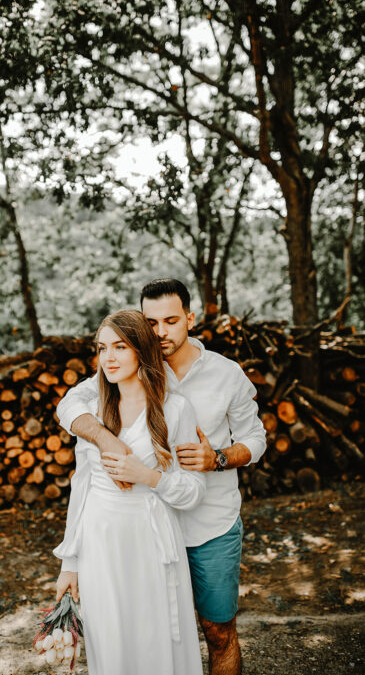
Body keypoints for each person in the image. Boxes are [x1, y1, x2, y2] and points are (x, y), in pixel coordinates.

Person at [57, 279, 267, 675]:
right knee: (148, 635)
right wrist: (105, 439)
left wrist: (217, 457)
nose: (160, 332)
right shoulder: (128, 366)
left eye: (170, 321)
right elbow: (70, 404)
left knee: (217, 630)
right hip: (145, 535)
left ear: (190, 318)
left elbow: (256, 439)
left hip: (209, 525)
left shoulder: (226, 374)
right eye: (150, 322)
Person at [53, 309, 205, 675]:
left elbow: (193, 492)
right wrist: (69, 563)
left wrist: (149, 476)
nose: (108, 358)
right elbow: (82, 487)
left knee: (156, 641)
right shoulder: (92, 412)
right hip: (100, 543)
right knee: (111, 640)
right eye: (102, 348)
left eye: (120, 347)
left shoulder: (175, 409)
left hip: (152, 542)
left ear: (141, 350)